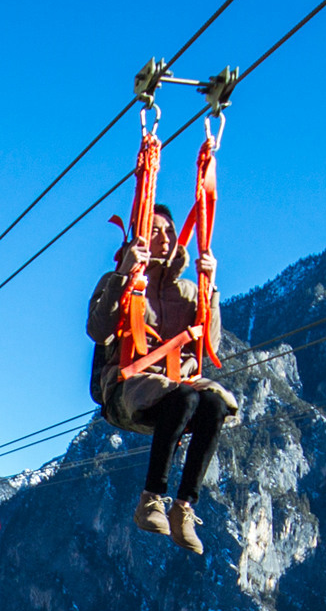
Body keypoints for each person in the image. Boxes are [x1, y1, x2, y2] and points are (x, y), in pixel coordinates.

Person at [87, 203, 234, 556]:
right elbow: (98, 330)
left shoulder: (186, 291)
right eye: (155, 231)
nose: (165, 238)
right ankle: (151, 499)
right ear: (140, 236)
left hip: (172, 386)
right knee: (183, 398)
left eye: (169, 232)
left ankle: (184, 506)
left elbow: (209, 345)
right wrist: (123, 275)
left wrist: (210, 290)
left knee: (212, 402)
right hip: (127, 390)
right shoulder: (118, 281)